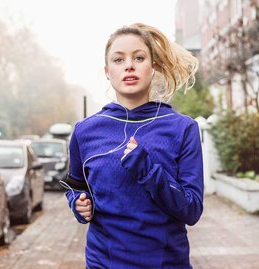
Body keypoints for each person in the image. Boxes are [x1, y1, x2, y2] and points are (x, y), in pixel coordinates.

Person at [64, 22, 204, 269]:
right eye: (118, 60)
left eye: (139, 58)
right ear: (107, 71)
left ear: (153, 67)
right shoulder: (85, 131)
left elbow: (191, 210)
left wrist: (148, 170)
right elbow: (76, 187)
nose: (129, 65)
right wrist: (78, 203)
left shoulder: (182, 128)